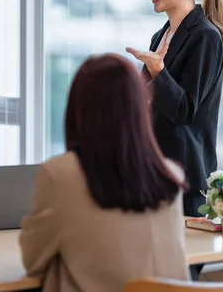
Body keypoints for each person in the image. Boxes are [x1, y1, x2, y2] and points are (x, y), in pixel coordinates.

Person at [19, 54, 189, 292]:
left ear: (78, 109)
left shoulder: (60, 175)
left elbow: (33, 262)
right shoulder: (170, 174)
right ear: (140, 107)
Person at [126, 0, 223, 217]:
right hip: (153, 176)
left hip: (185, 184)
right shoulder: (160, 36)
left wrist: (159, 72)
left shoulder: (205, 37)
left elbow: (185, 110)